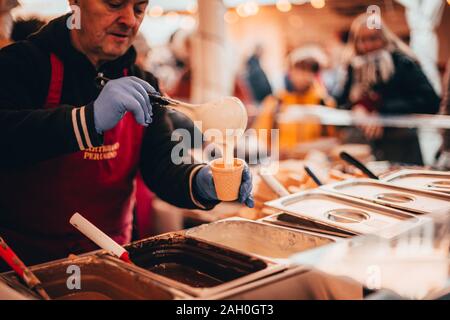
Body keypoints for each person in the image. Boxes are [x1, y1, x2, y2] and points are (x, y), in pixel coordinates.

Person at [0, 0, 253, 269]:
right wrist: (88, 120)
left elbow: (162, 165)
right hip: (25, 267)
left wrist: (200, 181)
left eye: (139, 8)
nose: (130, 20)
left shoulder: (142, 80)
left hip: (112, 261)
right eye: (115, 4)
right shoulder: (21, 64)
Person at [334, 14, 440, 165]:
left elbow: (431, 101)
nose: (367, 45)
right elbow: (341, 102)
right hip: (365, 149)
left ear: (384, 37)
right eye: (362, 40)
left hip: (402, 147)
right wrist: (357, 108)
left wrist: (383, 111)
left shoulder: (402, 63)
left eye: (373, 38)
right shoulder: (352, 67)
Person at [252, 46, 335, 153]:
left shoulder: (325, 103)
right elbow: (260, 139)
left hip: (315, 165)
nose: (304, 75)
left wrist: (298, 150)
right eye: (300, 69)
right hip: (280, 166)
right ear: (290, 71)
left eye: (310, 69)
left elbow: (333, 142)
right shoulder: (275, 102)